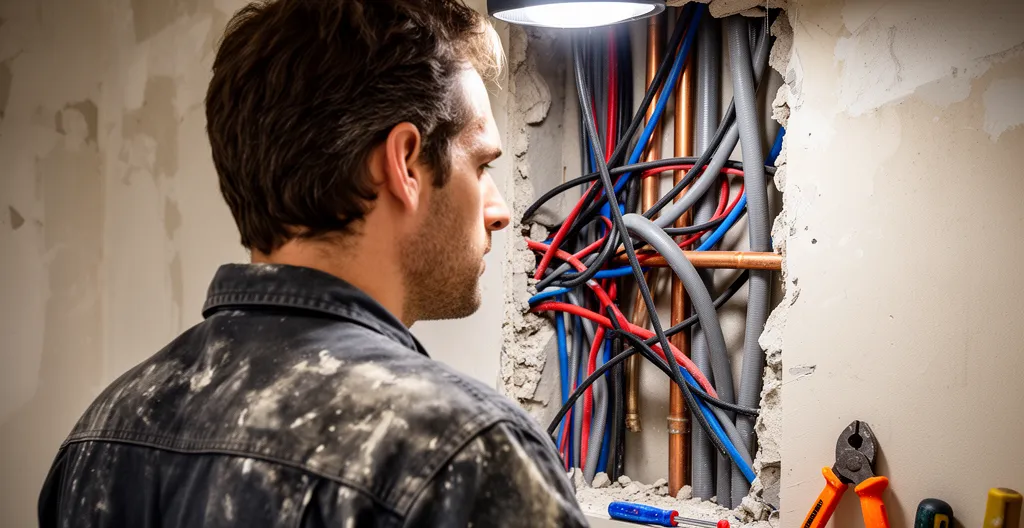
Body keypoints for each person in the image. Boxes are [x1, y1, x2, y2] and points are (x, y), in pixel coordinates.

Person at [37, 1, 588, 526]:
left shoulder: (104, 433)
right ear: (403, 165)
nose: (501, 212)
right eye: (482, 165)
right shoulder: (464, 452)